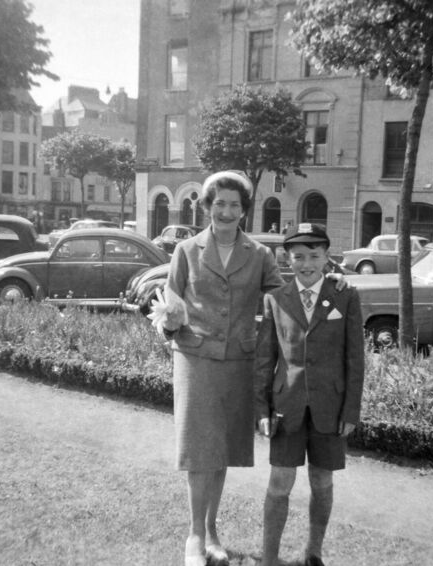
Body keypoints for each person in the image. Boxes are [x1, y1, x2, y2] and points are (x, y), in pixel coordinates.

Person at [150, 171, 284, 566]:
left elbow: (281, 300)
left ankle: (211, 533)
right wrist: (169, 321)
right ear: (207, 207)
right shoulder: (186, 251)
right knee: (198, 449)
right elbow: (169, 304)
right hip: (195, 358)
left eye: (234, 205)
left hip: (239, 363)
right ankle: (194, 535)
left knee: (221, 448)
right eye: (219, 203)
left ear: (245, 211)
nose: (226, 211)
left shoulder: (260, 255)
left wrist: (323, 292)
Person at [255, 223, 365, 566]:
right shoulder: (276, 298)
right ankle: (270, 557)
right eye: (298, 256)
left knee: (321, 480)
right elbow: (264, 359)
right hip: (286, 406)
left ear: (327, 258)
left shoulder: (345, 295)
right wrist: (261, 409)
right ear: (287, 259)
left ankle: (313, 551)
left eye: (314, 256)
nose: (306, 264)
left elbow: (355, 359)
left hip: (330, 408)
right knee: (279, 482)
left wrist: (351, 411)